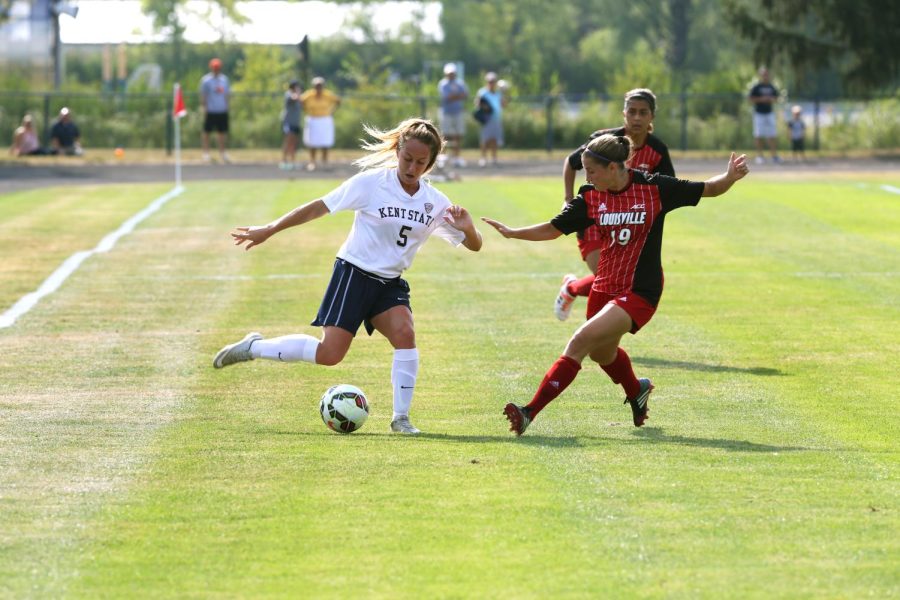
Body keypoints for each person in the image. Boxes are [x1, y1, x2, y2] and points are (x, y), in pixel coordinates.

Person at [213, 118, 483, 435]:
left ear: (431, 163)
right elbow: (318, 207)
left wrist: (468, 228)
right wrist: (269, 229)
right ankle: (254, 347)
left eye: (421, 162)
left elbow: (474, 245)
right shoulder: (371, 184)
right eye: (407, 158)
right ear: (397, 151)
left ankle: (401, 418)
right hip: (354, 273)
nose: (412, 167)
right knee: (330, 355)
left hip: (390, 283)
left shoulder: (436, 203)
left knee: (405, 334)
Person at [481, 134, 750, 436]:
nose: (587, 176)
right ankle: (637, 390)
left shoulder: (654, 188)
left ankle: (529, 411)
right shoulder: (591, 197)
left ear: (612, 167)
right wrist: (513, 233)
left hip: (639, 290)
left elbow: (709, 189)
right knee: (601, 355)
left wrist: (730, 177)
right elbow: (553, 229)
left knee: (579, 343)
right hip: (603, 287)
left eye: (591, 171)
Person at [557, 88, 675, 322]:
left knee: (618, 280)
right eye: (632, 112)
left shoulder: (657, 151)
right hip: (594, 218)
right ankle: (595, 330)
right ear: (624, 114)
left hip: (628, 224)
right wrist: (568, 198)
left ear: (652, 116)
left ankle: (572, 289)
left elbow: (667, 190)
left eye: (643, 112)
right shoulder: (605, 143)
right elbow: (571, 163)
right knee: (606, 276)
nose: (637, 118)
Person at [300, 76, 341, 171]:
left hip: (325, 120)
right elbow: (301, 101)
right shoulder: (309, 95)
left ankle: (325, 161)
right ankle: (312, 162)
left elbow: (338, 101)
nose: (318, 87)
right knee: (312, 142)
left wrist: (332, 111)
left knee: (325, 142)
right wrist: (306, 110)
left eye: (320, 85)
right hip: (313, 119)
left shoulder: (328, 95)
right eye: (316, 86)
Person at [200, 57, 231, 163]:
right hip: (211, 110)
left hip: (222, 110)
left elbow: (227, 95)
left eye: (217, 68)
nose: (216, 70)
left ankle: (223, 153)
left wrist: (227, 107)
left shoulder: (224, 80)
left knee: (222, 133)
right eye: (214, 68)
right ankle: (206, 153)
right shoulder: (206, 80)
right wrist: (204, 108)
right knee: (207, 132)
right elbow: (204, 95)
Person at [438, 62, 469, 167]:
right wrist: (458, 96)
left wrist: (455, 96)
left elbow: (465, 95)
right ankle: (443, 156)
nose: (451, 75)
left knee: (458, 135)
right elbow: (448, 97)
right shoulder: (443, 83)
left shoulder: (460, 83)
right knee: (444, 135)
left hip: (458, 112)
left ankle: (457, 157)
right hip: (446, 112)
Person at [474, 72, 508, 167]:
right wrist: (485, 107)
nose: (491, 83)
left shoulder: (498, 93)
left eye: (493, 81)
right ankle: (483, 158)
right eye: (490, 81)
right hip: (486, 119)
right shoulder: (482, 92)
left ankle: (494, 158)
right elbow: (477, 103)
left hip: (496, 119)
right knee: (485, 139)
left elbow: (504, 105)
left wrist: (504, 94)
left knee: (494, 139)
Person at [748, 67, 780, 165]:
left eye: (767, 74)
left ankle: (774, 156)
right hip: (759, 113)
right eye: (763, 74)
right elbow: (750, 99)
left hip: (769, 113)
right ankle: (760, 156)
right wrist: (762, 99)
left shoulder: (771, 87)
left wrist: (771, 99)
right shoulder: (757, 87)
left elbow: (777, 98)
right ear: (760, 76)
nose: (765, 76)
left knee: (772, 134)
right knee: (758, 135)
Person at [280, 79, 303, 170]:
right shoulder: (289, 94)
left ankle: (292, 162)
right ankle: (284, 161)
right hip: (288, 122)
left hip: (295, 123)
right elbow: (295, 98)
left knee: (294, 143)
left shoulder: (297, 95)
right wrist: (298, 92)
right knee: (288, 141)